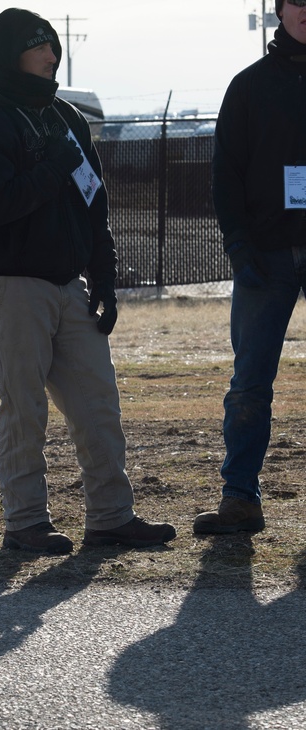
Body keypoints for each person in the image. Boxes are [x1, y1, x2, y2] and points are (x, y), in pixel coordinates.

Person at [0, 8, 176, 555]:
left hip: (67, 285)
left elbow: (93, 202)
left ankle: (110, 518)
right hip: (14, 288)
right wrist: (50, 167)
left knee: (98, 403)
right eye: (39, 47)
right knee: (24, 410)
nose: (51, 55)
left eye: (52, 45)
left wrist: (104, 276)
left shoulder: (66, 118)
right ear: (11, 56)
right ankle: (25, 524)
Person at [192, 1, 306, 535]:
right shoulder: (250, 86)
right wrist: (238, 246)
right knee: (250, 384)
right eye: (298, 1)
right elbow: (226, 172)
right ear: (279, 10)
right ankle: (240, 498)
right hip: (266, 254)